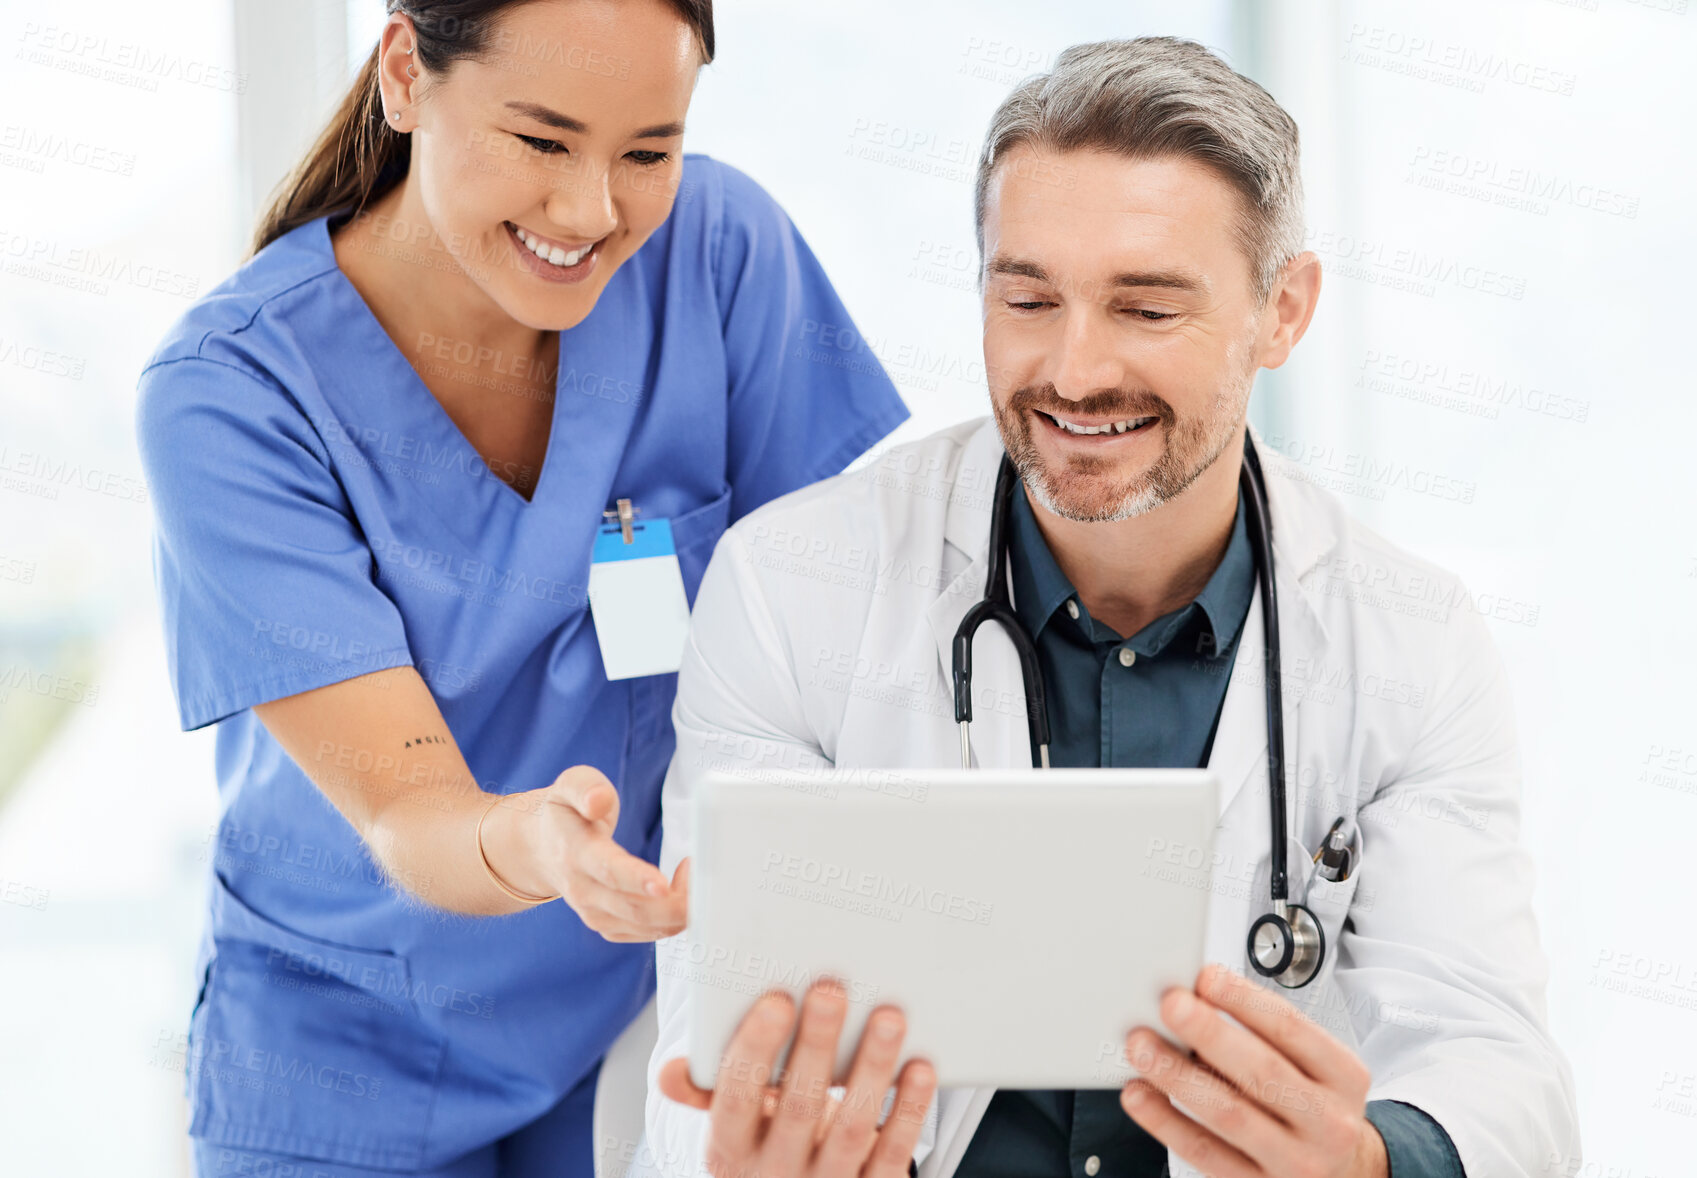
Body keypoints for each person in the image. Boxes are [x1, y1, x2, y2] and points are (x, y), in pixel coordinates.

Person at [644, 36, 1580, 1178]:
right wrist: (744, 1151)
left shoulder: (1409, 639)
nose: (1073, 370)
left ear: (1281, 311)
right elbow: (708, 1054)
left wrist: (1371, 1159)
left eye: (1143, 308)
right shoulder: (793, 587)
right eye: (1027, 296)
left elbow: (1494, 1065)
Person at [133, 1, 907, 1174]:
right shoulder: (231, 396)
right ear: (405, 73)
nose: (591, 210)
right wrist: (531, 844)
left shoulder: (718, 254)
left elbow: (850, 635)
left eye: (647, 150)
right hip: (341, 1055)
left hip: (634, 1016)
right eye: (541, 141)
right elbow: (407, 809)